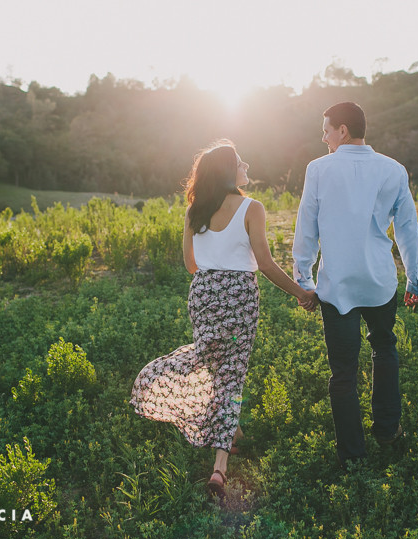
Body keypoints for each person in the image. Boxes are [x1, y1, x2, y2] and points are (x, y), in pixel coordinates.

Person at [130, 140, 315, 500]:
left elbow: (190, 265)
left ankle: (232, 431)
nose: (246, 163)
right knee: (233, 373)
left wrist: (213, 275)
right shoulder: (252, 207)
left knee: (215, 365)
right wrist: (301, 293)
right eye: (239, 160)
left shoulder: (194, 211)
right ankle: (220, 467)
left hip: (203, 292)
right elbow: (264, 263)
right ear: (230, 170)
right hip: (239, 295)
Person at [292, 102, 418, 467]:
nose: (323, 137)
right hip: (380, 280)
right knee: (384, 350)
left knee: (343, 373)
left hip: (338, 285)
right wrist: (415, 277)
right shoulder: (393, 169)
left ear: (343, 130)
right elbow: (408, 229)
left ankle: (352, 455)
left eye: (326, 130)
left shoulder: (318, 170)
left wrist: (303, 280)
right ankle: (387, 430)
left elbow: (307, 226)